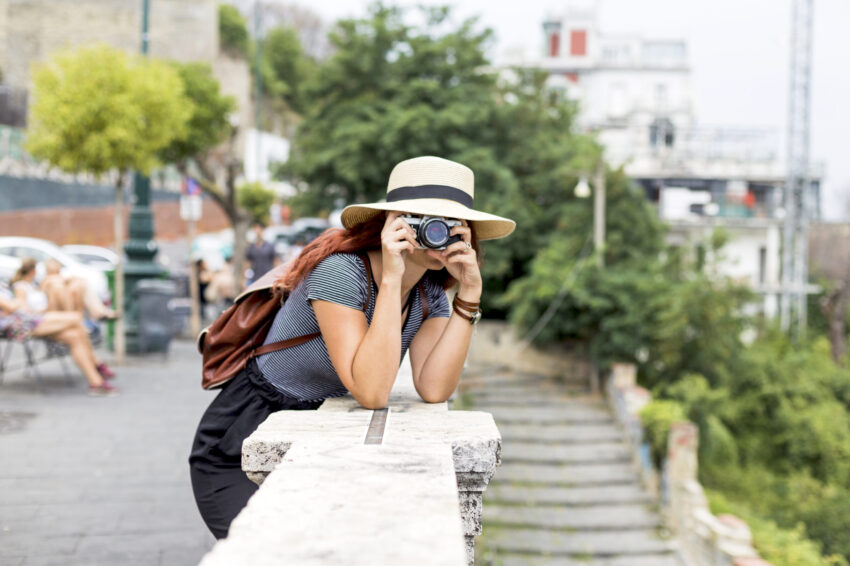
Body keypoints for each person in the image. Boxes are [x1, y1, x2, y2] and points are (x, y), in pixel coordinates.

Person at [188, 155, 515, 539]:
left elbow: (434, 388)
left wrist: (470, 292)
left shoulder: (429, 295)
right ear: (395, 223)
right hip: (240, 438)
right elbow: (372, 392)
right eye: (427, 222)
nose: (438, 234)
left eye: (451, 224)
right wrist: (392, 279)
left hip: (318, 439)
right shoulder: (341, 272)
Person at [0, 282, 118, 395]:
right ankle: (97, 365)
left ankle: (96, 383)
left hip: (27, 320)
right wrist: (20, 298)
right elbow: (11, 307)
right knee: (76, 318)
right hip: (19, 326)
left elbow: (16, 306)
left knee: (75, 335)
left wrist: (20, 301)